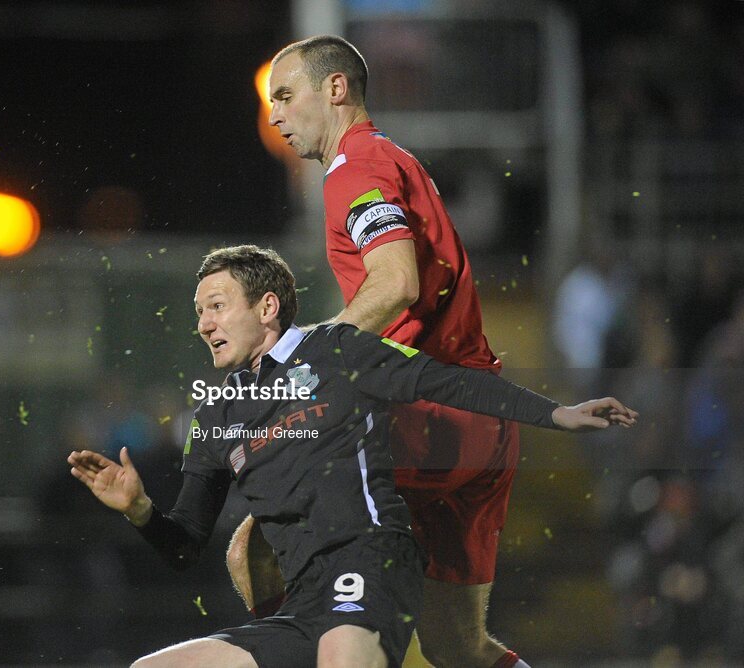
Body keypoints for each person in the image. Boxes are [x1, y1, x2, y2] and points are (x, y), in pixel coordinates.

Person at [69, 245, 636, 668]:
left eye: (216, 306)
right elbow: (186, 546)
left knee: (359, 657)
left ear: (267, 306)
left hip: (371, 561)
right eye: (198, 313)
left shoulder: (337, 350)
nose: (203, 324)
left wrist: (557, 414)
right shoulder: (216, 415)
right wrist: (140, 509)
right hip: (301, 603)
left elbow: (449, 384)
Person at [225, 34, 529, 667]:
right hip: (484, 419)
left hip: (430, 418)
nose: (275, 114)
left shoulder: (354, 167)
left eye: (285, 95)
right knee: (458, 648)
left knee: (255, 542)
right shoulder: (390, 159)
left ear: (335, 89)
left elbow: (395, 283)